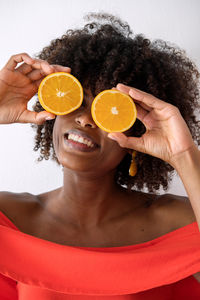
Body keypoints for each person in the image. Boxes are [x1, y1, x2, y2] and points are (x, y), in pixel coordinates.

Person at [0, 12, 200, 300]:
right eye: (76, 101)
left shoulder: (180, 221)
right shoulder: (9, 218)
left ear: (137, 131)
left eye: (109, 110)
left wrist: (183, 154)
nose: (85, 120)